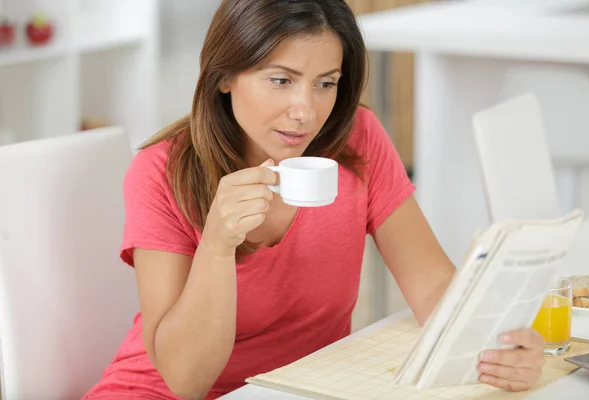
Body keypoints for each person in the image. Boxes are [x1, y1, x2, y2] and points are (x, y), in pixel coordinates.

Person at [83, 1, 546, 399]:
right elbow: (185, 381)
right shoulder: (162, 171)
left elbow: (429, 283)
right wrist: (218, 245)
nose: (306, 111)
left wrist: (497, 347)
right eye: (281, 80)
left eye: (326, 83)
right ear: (224, 76)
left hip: (296, 388)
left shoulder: (358, 139)